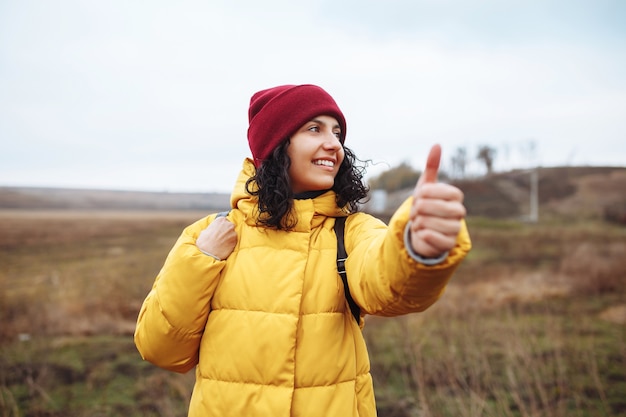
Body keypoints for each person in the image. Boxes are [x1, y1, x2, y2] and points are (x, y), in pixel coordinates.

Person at [134, 84, 471, 417]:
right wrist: (201, 260)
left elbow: (387, 286)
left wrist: (415, 248)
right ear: (276, 145)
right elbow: (161, 349)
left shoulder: (352, 231)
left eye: (337, 132)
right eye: (314, 129)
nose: (333, 144)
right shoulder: (209, 235)